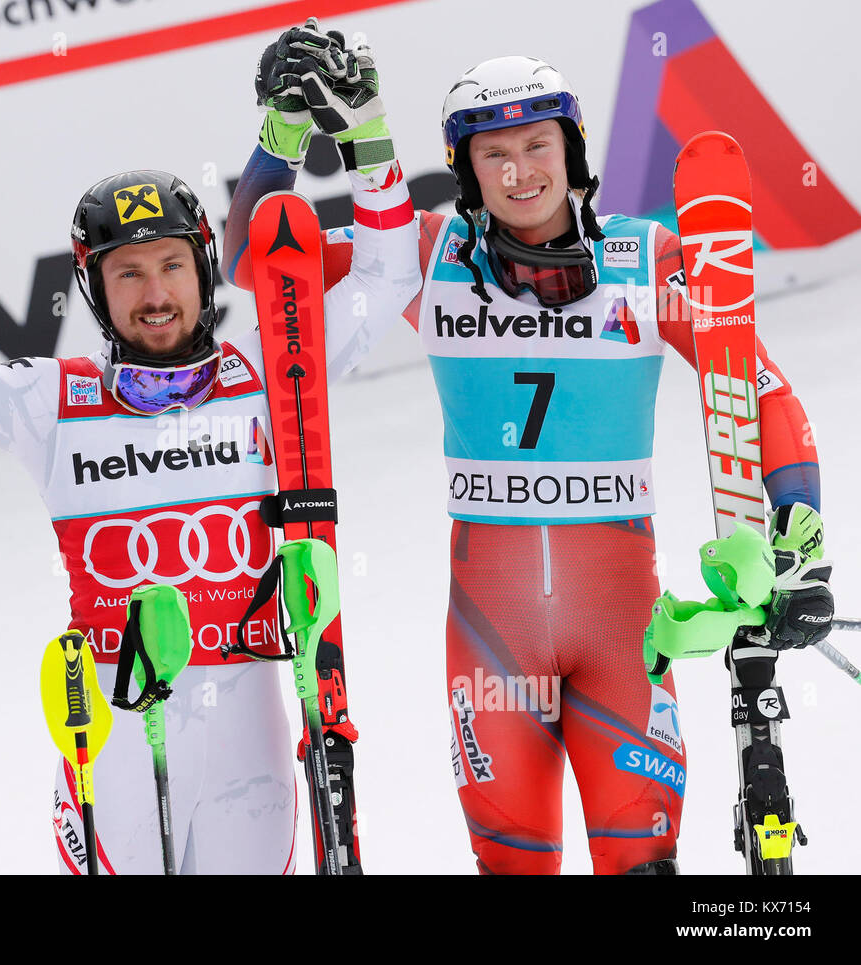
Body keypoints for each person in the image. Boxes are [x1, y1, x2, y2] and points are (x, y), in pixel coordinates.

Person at [227, 39, 827, 873]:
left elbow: (760, 390)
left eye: (538, 145)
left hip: (621, 631)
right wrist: (285, 131)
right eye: (494, 154)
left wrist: (805, 545)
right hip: (490, 637)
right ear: (466, 170)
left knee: (643, 863)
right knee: (513, 864)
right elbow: (260, 263)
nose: (520, 172)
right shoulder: (429, 256)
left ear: (572, 152)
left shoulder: (643, 260)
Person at [0, 101, 420, 873]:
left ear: (203, 269)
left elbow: (388, 273)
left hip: (251, 713)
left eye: (171, 264)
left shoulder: (273, 371)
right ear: (93, 288)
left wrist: (366, 130)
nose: (154, 292)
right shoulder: (52, 402)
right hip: (116, 716)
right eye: (126, 272)